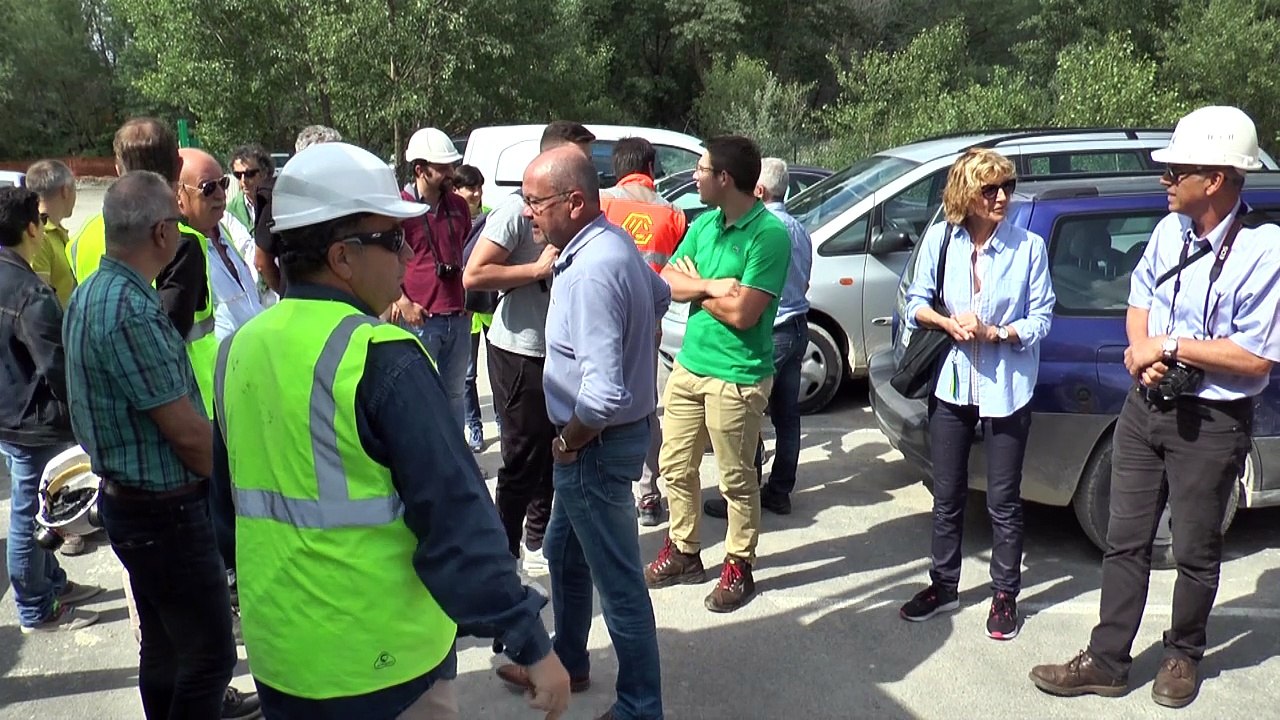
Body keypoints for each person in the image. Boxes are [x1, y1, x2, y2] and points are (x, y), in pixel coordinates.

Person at [213, 141, 570, 719]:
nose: (407, 255)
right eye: (392, 239)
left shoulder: (237, 350)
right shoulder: (381, 357)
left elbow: (226, 521)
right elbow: (454, 515)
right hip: (382, 664)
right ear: (341, 257)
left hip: (282, 660)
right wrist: (529, 641)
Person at [1032, 106, 1280, 708]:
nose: (1164, 180)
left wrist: (1170, 345)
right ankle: (1108, 660)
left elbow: (1255, 360)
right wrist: (1141, 352)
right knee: (1125, 538)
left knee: (1195, 549)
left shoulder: (1264, 250)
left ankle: (1182, 655)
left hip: (1212, 422)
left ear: (1216, 180)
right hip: (1145, 409)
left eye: (1176, 172)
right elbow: (1140, 296)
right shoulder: (1170, 230)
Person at [494, 145, 670, 720]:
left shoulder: (592, 268)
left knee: (620, 589)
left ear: (574, 201)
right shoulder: (607, 244)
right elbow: (660, 293)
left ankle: (640, 707)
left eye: (535, 202)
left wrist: (567, 443)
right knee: (562, 553)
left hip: (592, 447)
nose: (527, 214)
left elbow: (601, 394)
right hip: (600, 442)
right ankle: (568, 661)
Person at [63, 171, 247, 719]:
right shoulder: (129, 310)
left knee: (167, 649)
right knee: (210, 658)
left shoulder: (97, 292)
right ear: (162, 232)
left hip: (137, 507)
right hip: (163, 513)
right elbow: (188, 436)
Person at [896, 148, 1054, 640]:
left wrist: (998, 333)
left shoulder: (1028, 247)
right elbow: (915, 303)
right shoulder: (942, 240)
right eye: (990, 189)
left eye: (1007, 186)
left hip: (1007, 387)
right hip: (952, 382)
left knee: (1004, 500)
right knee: (947, 495)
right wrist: (946, 322)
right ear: (968, 193)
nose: (1002, 196)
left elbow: (1042, 317)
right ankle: (943, 585)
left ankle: (1005, 593)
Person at [643, 136, 790, 613]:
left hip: (737, 375)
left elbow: (745, 313)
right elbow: (667, 279)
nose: (694, 176)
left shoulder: (768, 235)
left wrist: (695, 291)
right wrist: (710, 285)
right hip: (691, 364)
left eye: (701, 169)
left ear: (724, 178)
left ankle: (738, 563)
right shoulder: (704, 223)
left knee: (735, 479)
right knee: (674, 465)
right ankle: (685, 550)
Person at [463, 121, 596, 575]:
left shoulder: (576, 213)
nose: (587, 170)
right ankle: (504, 552)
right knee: (521, 455)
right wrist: (536, 270)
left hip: (560, 352)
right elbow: (474, 275)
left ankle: (538, 542)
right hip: (519, 350)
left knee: (551, 448)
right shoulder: (515, 214)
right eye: (579, 159)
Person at [63, 118, 219, 417]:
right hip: (185, 402)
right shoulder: (181, 240)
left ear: (118, 169)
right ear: (176, 169)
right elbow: (172, 328)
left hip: (110, 399)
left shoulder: (83, 237)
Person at [0, 186, 103, 633]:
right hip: (31, 420)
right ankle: (35, 609)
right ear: (32, 229)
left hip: (10, 412)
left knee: (40, 506)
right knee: (32, 512)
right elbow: (58, 367)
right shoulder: (29, 292)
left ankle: (52, 581)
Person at [703, 157, 812, 519]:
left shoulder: (763, 231)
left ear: (760, 190)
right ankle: (779, 491)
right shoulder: (799, 228)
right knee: (787, 415)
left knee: (745, 414)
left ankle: (742, 490)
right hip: (798, 325)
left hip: (774, 328)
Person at [599, 137, 688, 527]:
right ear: (651, 167)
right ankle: (648, 495)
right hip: (647, 323)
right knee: (644, 406)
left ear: (617, 167)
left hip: (602, 318)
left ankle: (604, 488)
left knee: (597, 398)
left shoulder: (599, 203)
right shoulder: (673, 214)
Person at [391, 127, 472, 429]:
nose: (451, 173)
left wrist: (468, 299)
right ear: (420, 170)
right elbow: (387, 258)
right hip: (419, 318)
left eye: (452, 166)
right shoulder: (399, 207)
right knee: (418, 395)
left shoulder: (459, 206)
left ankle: (456, 465)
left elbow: (463, 250)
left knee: (455, 394)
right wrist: (403, 301)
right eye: (443, 168)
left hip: (458, 317)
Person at [178, 149, 264, 341]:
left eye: (223, 184)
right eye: (208, 188)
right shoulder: (179, 253)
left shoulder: (226, 228)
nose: (220, 194)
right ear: (179, 196)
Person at [251, 124, 344, 296]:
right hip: (299, 302)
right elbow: (262, 261)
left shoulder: (344, 194)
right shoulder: (276, 197)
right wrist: (286, 292)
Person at [455, 164, 494, 452]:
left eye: (479, 187)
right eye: (471, 188)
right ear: (456, 190)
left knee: (498, 372)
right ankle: (475, 426)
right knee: (467, 375)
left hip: (490, 307)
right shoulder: (452, 219)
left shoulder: (492, 216)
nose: (477, 193)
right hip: (463, 311)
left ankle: (504, 421)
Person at [24, 159, 78, 307]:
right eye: (75, 188)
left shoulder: (55, 232)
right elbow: (38, 304)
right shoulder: (39, 237)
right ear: (65, 191)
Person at [226, 144, 273, 231]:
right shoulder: (231, 211)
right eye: (238, 175)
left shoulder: (277, 203)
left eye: (249, 174)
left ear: (264, 173)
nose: (243, 180)